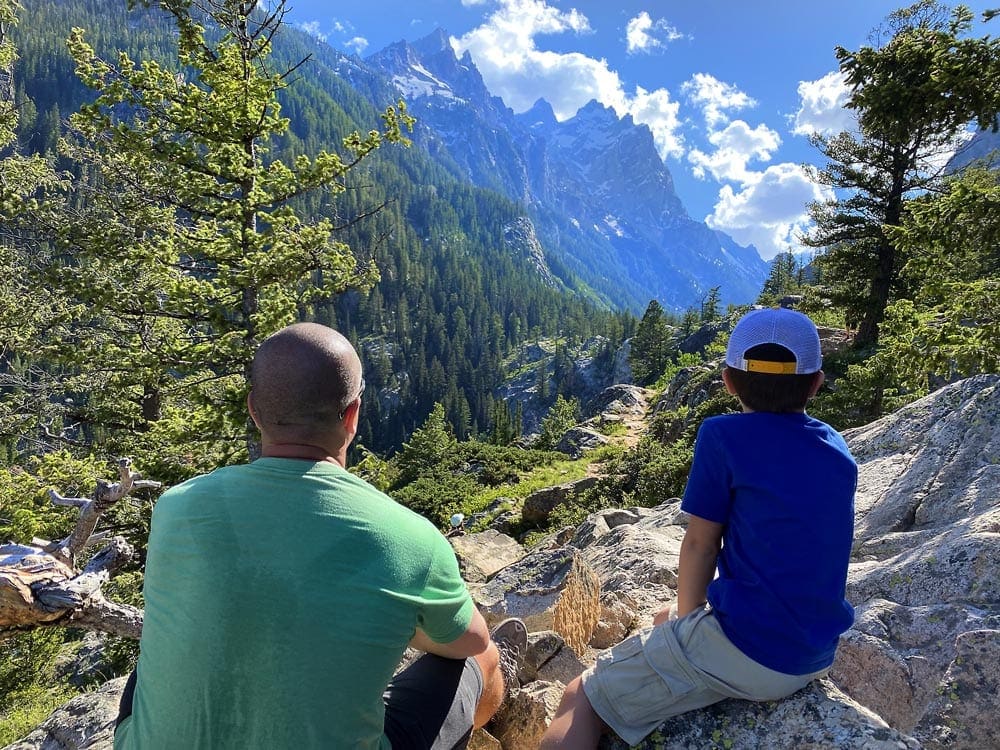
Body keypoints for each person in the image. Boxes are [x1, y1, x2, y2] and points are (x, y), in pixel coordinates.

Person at [114, 322, 526, 749]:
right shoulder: (411, 538)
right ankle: (478, 735)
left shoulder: (175, 505)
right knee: (482, 657)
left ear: (254, 410)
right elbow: (468, 641)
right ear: (352, 415)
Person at [540, 307, 857, 748]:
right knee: (662, 617)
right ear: (817, 384)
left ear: (727, 381)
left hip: (755, 652)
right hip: (816, 653)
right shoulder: (835, 444)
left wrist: (689, 625)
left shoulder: (723, 437)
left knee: (580, 696)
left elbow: (700, 546)